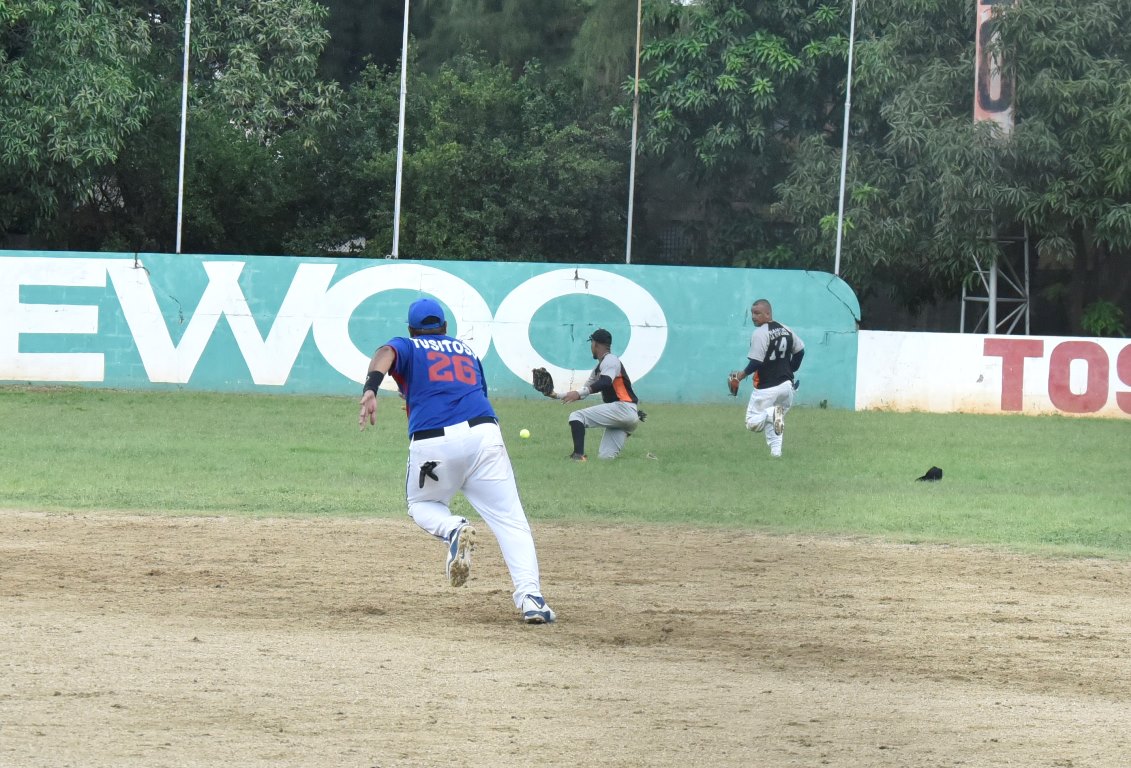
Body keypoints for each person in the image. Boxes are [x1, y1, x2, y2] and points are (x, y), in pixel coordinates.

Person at [358, 297, 555, 624]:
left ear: (411, 329)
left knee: (421, 505)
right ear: (446, 328)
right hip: (484, 435)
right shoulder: (467, 352)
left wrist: (371, 388)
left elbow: (386, 354)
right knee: (511, 521)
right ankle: (531, 598)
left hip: (433, 441)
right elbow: (473, 391)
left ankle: (454, 528)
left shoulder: (408, 345)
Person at [731, 299, 805, 458]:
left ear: (768, 313)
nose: (753, 316)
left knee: (752, 423)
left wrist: (741, 375)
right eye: (752, 313)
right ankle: (776, 454)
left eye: (757, 313)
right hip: (786, 386)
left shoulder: (760, 333)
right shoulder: (786, 329)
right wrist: (791, 369)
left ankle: (771, 414)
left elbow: (756, 361)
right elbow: (800, 351)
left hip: (767, 387)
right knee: (775, 421)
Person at [558, 328, 643, 461]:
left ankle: (578, 456)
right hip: (628, 416)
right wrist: (555, 395)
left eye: (591, 343)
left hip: (623, 409)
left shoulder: (611, 359)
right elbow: (584, 391)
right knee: (605, 459)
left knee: (576, 416)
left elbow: (605, 382)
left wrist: (579, 393)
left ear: (595, 344)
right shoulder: (600, 368)